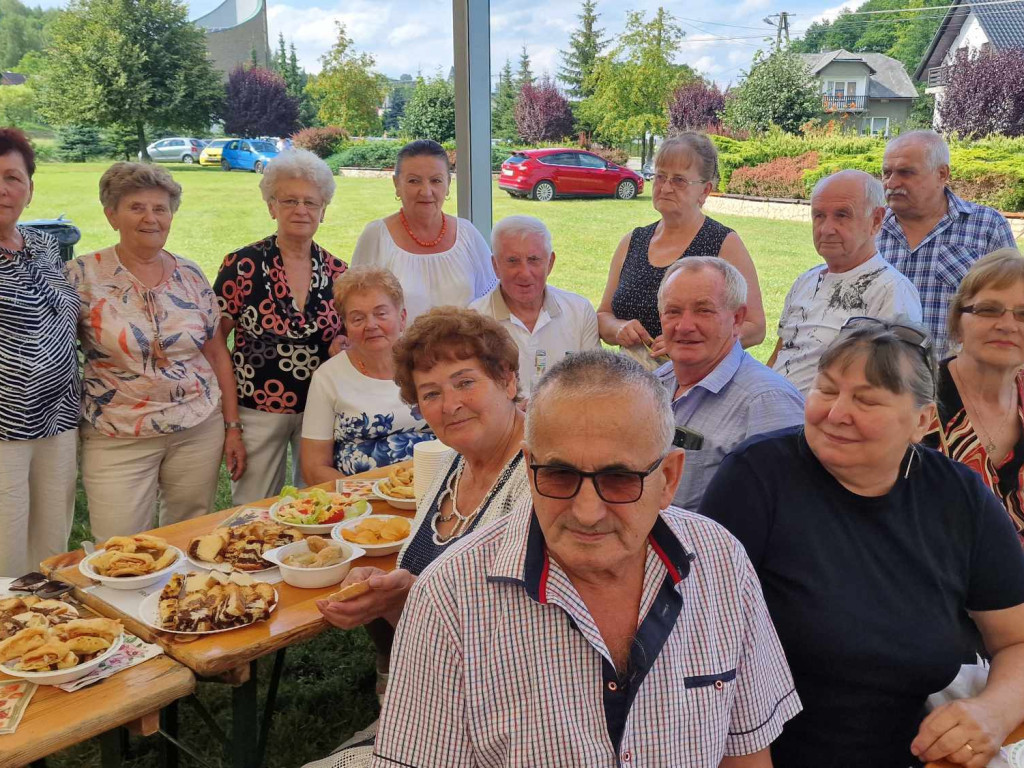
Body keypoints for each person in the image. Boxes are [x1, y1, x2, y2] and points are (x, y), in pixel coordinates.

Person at [372, 350, 801, 767]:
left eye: (619, 479)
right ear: (529, 467)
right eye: (560, 475)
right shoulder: (449, 597)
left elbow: (745, 752)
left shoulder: (721, 564)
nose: (587, 512)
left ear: (668, 478)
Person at [699, 319, 1024, 768]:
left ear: (922, 421)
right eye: (827, 390)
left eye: (866, 400)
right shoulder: (756, 478)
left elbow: (1017, 640)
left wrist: (993, 712)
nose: (836, 413)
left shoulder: (957, 495)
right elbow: (698, 651)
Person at [306, 307, 531, 768]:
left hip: (503, 726)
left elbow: (524, 637)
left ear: (507, 380)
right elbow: (431, 606)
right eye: (431, 393)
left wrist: (414, 597)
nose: (449, 404)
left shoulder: (542, 480)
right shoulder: (452, 466)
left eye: (465, 382)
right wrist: (387, 596)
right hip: (432, 704)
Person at [66, 162, 245, 542]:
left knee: (189, 533)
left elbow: (216, 352)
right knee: (119, 546)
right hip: (118, 434)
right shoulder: (81, 275)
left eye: (160, 208)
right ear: (111, 214)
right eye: (136, 207)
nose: (151, 218)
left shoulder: (190, 273)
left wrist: (231, 427)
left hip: (197, 427)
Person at [213, 148, 347, 505]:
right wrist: (231, 424)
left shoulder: (338, 271)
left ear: (323, 210)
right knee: (254, 508)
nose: (300, 210)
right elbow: (214, 343)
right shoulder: (242, 265)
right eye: (289, 200)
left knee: (319, 505)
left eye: (310, 202)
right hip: (256, 407)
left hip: (320, 409)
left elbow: (347, 335)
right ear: (271, 206)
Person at [597, 132, 766, 369]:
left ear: (705, 191)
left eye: (679, 180)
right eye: (660, 176)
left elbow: (755, 327)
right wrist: (619, 329)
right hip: (632, 387)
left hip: (698, 386)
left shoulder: (722, 243)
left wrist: (689, 342)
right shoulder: (632, 241)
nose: (666, 187)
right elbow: (604, 316)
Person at [655, 257, 804, 510]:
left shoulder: (768, 402)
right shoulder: (655, 383)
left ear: (737, 319)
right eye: (673, 311)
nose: (684, 326)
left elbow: (787, 516)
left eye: (704, 310)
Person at [0, 128, 81, 574]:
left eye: (13, 177)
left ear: (30, 189)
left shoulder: (44, 246)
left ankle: (49, 628)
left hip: (58, 417)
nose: (2, 189)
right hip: (3, 427)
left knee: (51, 543)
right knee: (5, 546)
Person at [770, 169, 922, 395]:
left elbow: (893, 388)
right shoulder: (807, 280)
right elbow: (780, 354)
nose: (826, 229)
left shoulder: (891, 291)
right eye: (819, 215)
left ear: (876, 220)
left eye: (842, 215)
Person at [878, 129, 1016, 358]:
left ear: (942, 174)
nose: (891, 182)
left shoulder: (986, 226)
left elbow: (1012, 303)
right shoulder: (871, 226)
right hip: (879, 380)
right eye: (886, 173)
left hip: (956, 382)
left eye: (906, 172)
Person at [923, 248, 1024, 545]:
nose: (1007, 325)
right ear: (958, 323)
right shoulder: (914, 398)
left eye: (1023, 314)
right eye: (988, 309)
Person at [300, 266, 433, 483]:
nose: (370, 325)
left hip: (437, 487)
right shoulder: (328, 377)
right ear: (345, 326)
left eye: (380, 313)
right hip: (362, 501)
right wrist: (367, 495)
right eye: (357, 318)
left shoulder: (430, 364)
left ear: (402, 317)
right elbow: (313, 467)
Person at [350, 139, 495, 322]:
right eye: (414, 181)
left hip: (463, 350)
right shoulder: (376, 236)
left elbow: (491, 301)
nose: (426, 191)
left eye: (436, 180)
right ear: (396, 184)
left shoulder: (467, 234)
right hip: (397, 351)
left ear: (448, 184)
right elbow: (354, 307)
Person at [468, 215, 600, 399]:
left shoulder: (579, 311)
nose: (524, 273)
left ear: (550, 263)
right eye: (512, 261)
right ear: (495, 266)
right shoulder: (474, 321)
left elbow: (593, 386)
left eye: (534, 259)